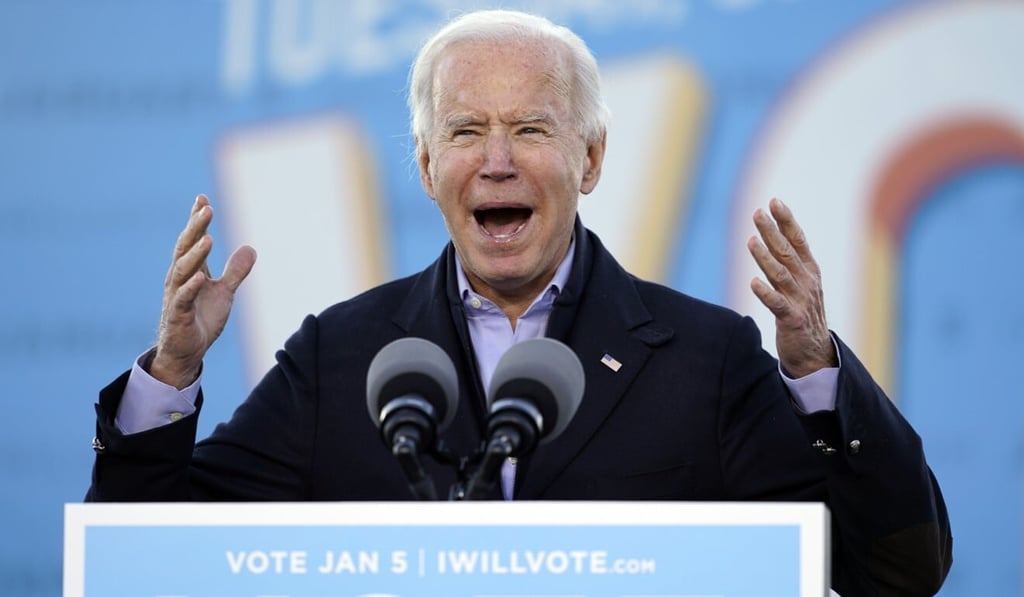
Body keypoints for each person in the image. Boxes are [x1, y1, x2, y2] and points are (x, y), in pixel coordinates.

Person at [86, 9, 951, 596]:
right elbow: (144, 566)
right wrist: (171, 376)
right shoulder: (338, 359)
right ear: (428, 167)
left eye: (531, 129)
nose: (496, 162)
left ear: (591, 159)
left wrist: (816, 371)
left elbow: (896, 572)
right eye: (466, 131)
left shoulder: (707, 358)